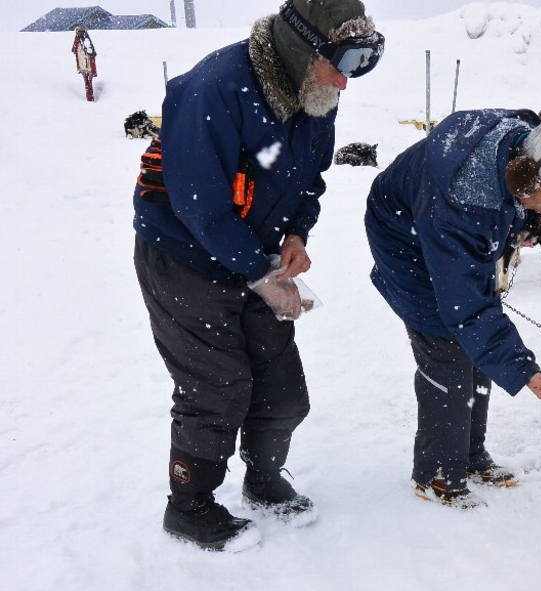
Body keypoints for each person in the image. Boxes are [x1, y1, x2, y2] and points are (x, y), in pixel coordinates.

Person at [132, 0, 385, 550]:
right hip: (184, 258)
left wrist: (296, 234)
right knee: (217, 387)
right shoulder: (215, 88)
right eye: (341, 60)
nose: (346, 80)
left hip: (256, 251)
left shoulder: (317, 92)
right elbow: (200, 206)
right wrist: (257, 272)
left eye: (362, 62)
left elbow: (310, 178)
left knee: (284, 390)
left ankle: (264, 479)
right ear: (301, 46)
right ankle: (190, 504)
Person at [364, 111, 541, 509]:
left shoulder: (518, 149)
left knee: (474, 350)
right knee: (446, 348)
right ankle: (436, 473)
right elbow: (467, 307)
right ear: (528, 174)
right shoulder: (464, 196)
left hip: (440, 229)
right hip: (406, 245)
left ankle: (470, 455)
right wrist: (524, 371)